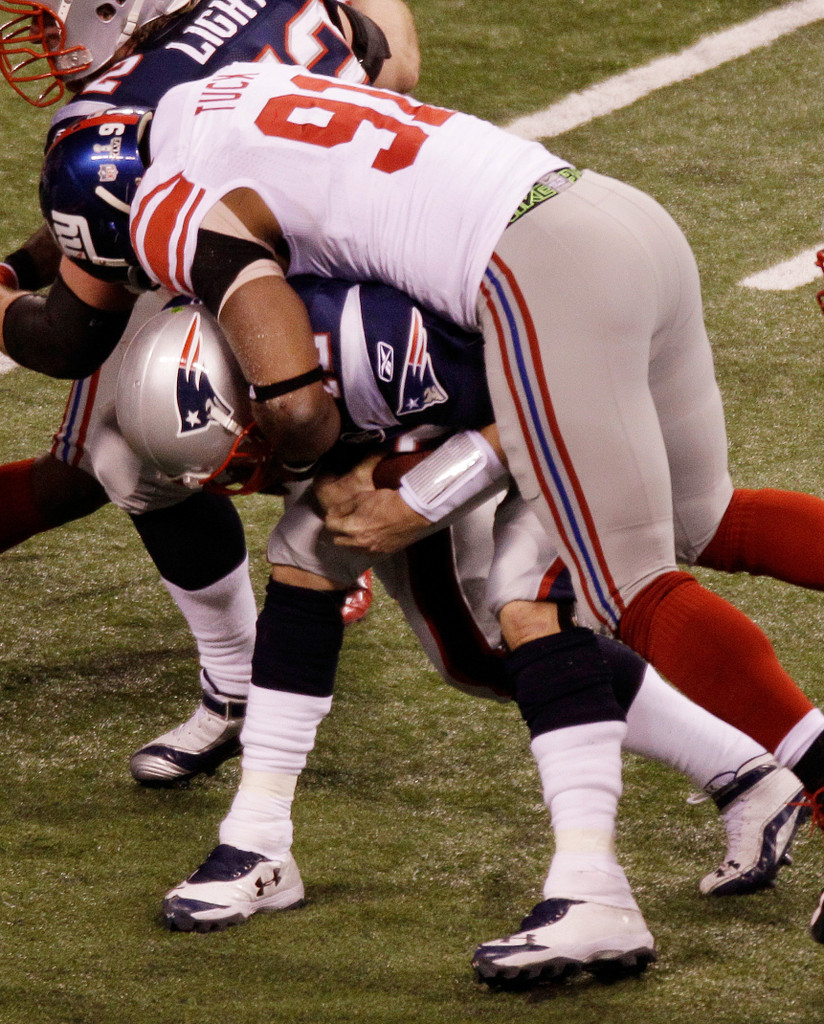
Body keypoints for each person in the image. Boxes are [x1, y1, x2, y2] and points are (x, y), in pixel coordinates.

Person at [22, 61, 824, 942]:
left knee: (601, 586)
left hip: (540, 277)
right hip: (600, 217)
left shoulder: (220, 252)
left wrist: (389, 481)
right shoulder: (202, 103)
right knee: (697, 520)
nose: (242, 467)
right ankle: (261, 842)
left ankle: (655, 856)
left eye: (235, 453)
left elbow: (349, 403)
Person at [108, 287, 803, 982]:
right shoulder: (282, 334)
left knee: (523, 614)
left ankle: (635, 857)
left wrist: (398, 488)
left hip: (569, 396)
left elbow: (538, 404)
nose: (256, 466)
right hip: (466, 398)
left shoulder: (386, 347)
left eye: (252, 442)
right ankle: (257, 838)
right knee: (341, 566)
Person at [0, 0, 420, 782]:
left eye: (52, 21)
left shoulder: (121, 112)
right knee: (119, 457)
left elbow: (64, 337)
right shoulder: (262, 15)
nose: (38, 42)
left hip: (324, 286)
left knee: (147, 435)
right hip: (369, 246)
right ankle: (239, 684)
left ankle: (324, 503)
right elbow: (388, 56)